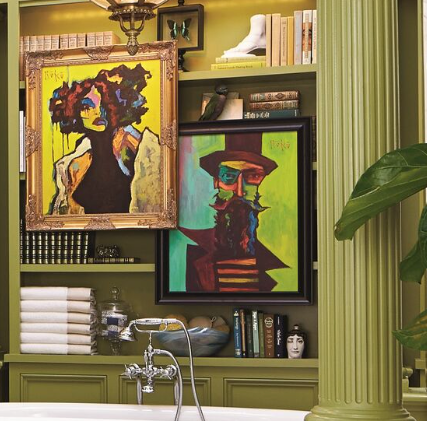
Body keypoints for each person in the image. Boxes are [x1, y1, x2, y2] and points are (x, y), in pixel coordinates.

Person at [48, 63, 161, 215]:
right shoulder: (75, 162)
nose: (97, 113)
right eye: (87, 107)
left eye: (103, 104)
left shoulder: (133, 146)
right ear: (74, 112)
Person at [180, 132, 283, 293]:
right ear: (216, 182)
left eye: (253, 176)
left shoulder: (274, 260)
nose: (240, 192)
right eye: (229, 176)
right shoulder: (194, 253)